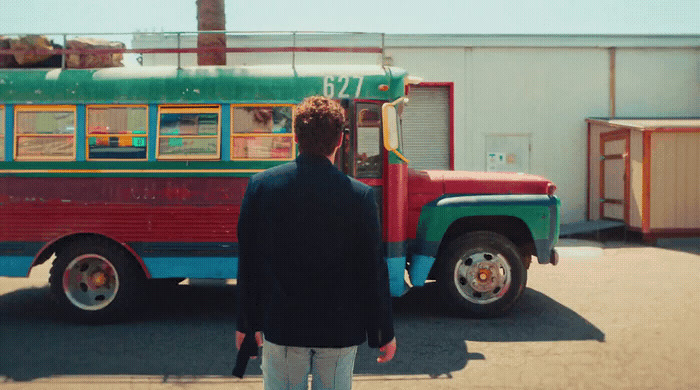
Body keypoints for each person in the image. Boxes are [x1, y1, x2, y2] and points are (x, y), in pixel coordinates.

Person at [236, 95, 396, 389]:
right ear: (340, 140)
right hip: (340, 329)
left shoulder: (261, 186)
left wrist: (247, 324)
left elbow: (249, 262)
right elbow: (373, 269)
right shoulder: (360, 196)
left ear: (295, 137)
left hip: (283, 326)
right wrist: (382, 331)